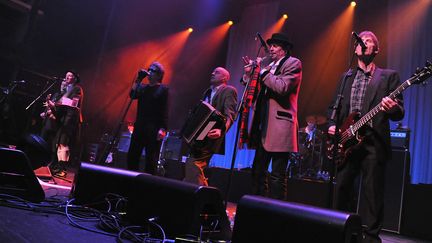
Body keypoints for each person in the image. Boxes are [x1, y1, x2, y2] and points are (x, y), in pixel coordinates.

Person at [327, 31, 404, 243]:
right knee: (341, 188)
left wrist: (392, 107)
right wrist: (333, 125)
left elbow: (400, 112)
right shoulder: (346, 77)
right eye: (361, 40)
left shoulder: (388, 76)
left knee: (372, 194)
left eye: (369, 41)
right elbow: (334, 107)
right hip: (347, 141)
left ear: (376, 50)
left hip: (374, 142)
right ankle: (342, 232)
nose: (364, 42)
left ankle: (371, 238)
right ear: (356, 48)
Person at [242, 32, 302, 200]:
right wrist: (249, 75)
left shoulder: (293, 63)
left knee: (277, 176)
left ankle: (276, 215)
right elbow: (255, 90)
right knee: (257, 171)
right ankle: (257, 208)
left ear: (284, 49)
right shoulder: (269, 66)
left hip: (280, 126)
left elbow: (282, 87)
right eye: (271, 46)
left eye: (275, 46)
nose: (271, 49)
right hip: (264, 126)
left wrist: (262, 72)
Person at [183, 67, 237, 186]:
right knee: (193, 165)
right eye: (212, 71)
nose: (212, 73)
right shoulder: (207, 92)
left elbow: (230, 115)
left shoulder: (229, 90)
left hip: (212, 132)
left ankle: (201, 195)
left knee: (194, 163)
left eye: (216, 72)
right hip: (201, 133)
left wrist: (221, 130)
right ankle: (198, 192)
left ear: (225, 78)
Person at [127, 61, 169, 174]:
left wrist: (163, 128)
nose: (149, 72)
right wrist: (138, 79)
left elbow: (164, 110)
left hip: (153, 129)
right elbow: (132, 95)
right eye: (149, 70)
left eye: (153, 70)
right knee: (132, 156)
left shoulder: (163, 89)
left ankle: (148, 184)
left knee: (151, 159)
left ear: (159, 75)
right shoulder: (143, 88)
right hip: (140, 126)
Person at [42, 71, 84, 177]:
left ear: (75, 78)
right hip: (63, 120)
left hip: (70, 120)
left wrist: (56, 104)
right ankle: (57, 166)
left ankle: (63, 169)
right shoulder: (66, 90)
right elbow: (60, 107)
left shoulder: (77, 89)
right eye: (66, 76)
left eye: (70, 75)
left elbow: (74, 103)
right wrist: (52, 105)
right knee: (58, 143)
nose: (67, 77)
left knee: (63, 143)